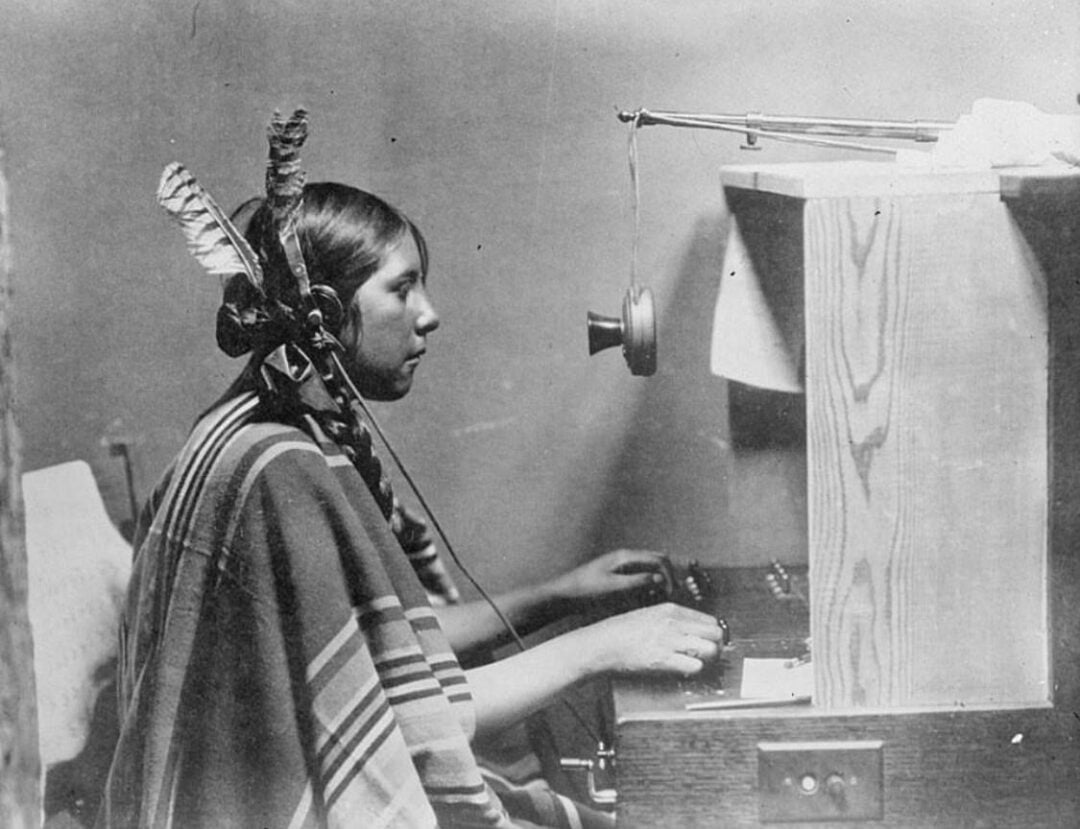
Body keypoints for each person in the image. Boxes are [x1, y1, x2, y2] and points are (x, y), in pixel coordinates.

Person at [97, 111, 724, 829]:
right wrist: (602, 646)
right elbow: (412, 725)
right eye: (402, 289)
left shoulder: (260, 426)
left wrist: (560, 593)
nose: (430, 315)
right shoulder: (279, 470)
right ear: (325, 313)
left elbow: (384, 649)